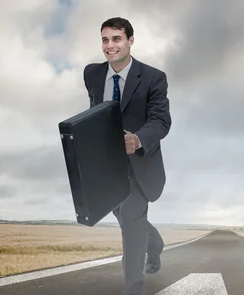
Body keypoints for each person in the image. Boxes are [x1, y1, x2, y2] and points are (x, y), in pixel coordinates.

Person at [82, 17, 171, 295]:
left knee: (132, 230)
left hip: (139, 164)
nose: (110, 46)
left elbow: (161, 121)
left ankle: (134, 288)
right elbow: (94, 110)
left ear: (130, 41)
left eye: (116, 39)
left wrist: (137, 139)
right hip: (108, 166)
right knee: (126, 217)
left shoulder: (154, 78)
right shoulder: (92, 74)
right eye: (105, 39)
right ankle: (155, 245)